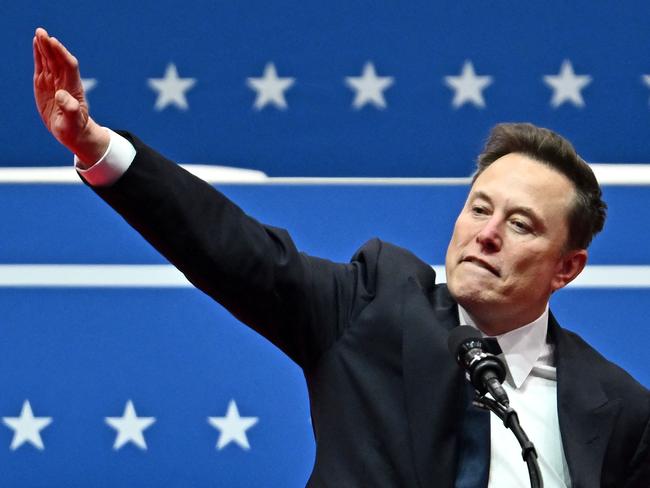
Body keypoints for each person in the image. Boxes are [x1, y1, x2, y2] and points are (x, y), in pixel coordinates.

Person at [33, 27, 649, 487]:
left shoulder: (618, 410)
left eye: (520, 225)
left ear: (567, 267)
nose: (487, 235)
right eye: (480, 208)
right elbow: (233, 249)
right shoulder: (373, 306)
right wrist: (95, 147)